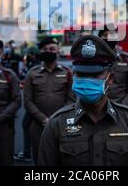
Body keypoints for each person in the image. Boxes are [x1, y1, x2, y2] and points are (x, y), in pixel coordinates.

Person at [38, 35, 128, 166]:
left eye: (95, 74)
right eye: (81, 74)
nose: (88, 80)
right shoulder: (56, 124)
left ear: (110, 79)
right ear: (74, 76)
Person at [23, 36, 74, 164]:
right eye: (45, 49)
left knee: (63, 158)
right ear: (40, 52)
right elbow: (27, 100)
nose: (49, 51)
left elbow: (72, 99)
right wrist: (44, 119)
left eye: (52, 49)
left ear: (58, 51)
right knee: (40, 159)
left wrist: (57, 118)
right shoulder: (32, 73)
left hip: (62, 125)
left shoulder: (67, 72)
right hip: (38, 125)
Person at [98, 25, 128, 116]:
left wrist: (119, 109)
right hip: (97, 110)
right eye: (105, 35)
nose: (109, 37)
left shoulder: (127, 59)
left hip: (121, 109)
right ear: (99, 39)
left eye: (112, 34)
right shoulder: (92, 60)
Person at [14, 45, 41, 162]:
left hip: (35, 103)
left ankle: (27, 153)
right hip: (34, 101)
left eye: (29, 54)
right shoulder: (32, 63)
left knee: (27, 125)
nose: (28, 56)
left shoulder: (35, 64)